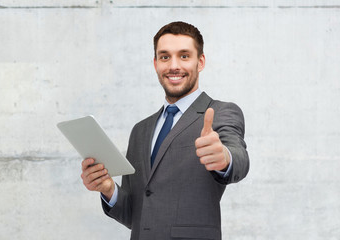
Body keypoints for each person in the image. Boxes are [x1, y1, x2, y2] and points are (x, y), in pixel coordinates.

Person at [81, 21, 249, 240]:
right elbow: (134, 215)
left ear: (201, 62)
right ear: (155, 64)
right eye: (165, 57)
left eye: (184, 56)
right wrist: (108, 189)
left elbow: (239, 158)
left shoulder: (220, 112)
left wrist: (224, 158)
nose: (174, 66)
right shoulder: (141, 130)